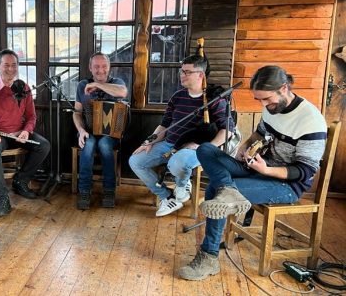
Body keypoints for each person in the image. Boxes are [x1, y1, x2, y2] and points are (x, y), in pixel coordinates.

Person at [178, 65, 327, 281]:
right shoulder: (272, 108)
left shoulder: (311, 121)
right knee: (205, 149)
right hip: (257, 167)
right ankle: (227, 189)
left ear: (283, 88)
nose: (264, 105)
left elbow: (303, 172)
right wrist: (245, 146)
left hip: (287, 185)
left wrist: (267, 169)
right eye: (260, 101)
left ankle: (208, 257)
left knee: (215, 190)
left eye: (267, 100)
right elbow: (260, 133)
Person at [128, 54, 234, 217]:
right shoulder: (177, 97)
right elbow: (164, 125)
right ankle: (167, 197)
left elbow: (227, 131)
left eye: (187, 72)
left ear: (200, 75)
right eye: (181, 71)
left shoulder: (214, 99)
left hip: (196, 148)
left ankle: (182, 184)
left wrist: (205, 147)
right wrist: (149, 141)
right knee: (136, 161)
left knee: (177, 162)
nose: (182, 75)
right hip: (169, 143)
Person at [0, 49, 50, 217]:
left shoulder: (23, 87)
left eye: (14, 65)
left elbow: (31, 116)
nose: (10, 69)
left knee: (43, 145)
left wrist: (26, 131)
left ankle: (20, 181)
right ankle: (2, 197)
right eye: (6, 65)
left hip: (18, 133)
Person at [72, 52, 128, 209]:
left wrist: (97, 85)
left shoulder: (117, 82)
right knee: (88, 145)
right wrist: (81, 130)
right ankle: (84, 190)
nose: (100, 70)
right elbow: (77, 113)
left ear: (109, 67)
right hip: (87, 131)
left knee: (104, 144)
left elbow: (122, 92)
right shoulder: (82, 85)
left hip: (111, 133)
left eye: (104, 66)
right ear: (90, 68)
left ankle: (109, 190)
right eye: (96, 66)